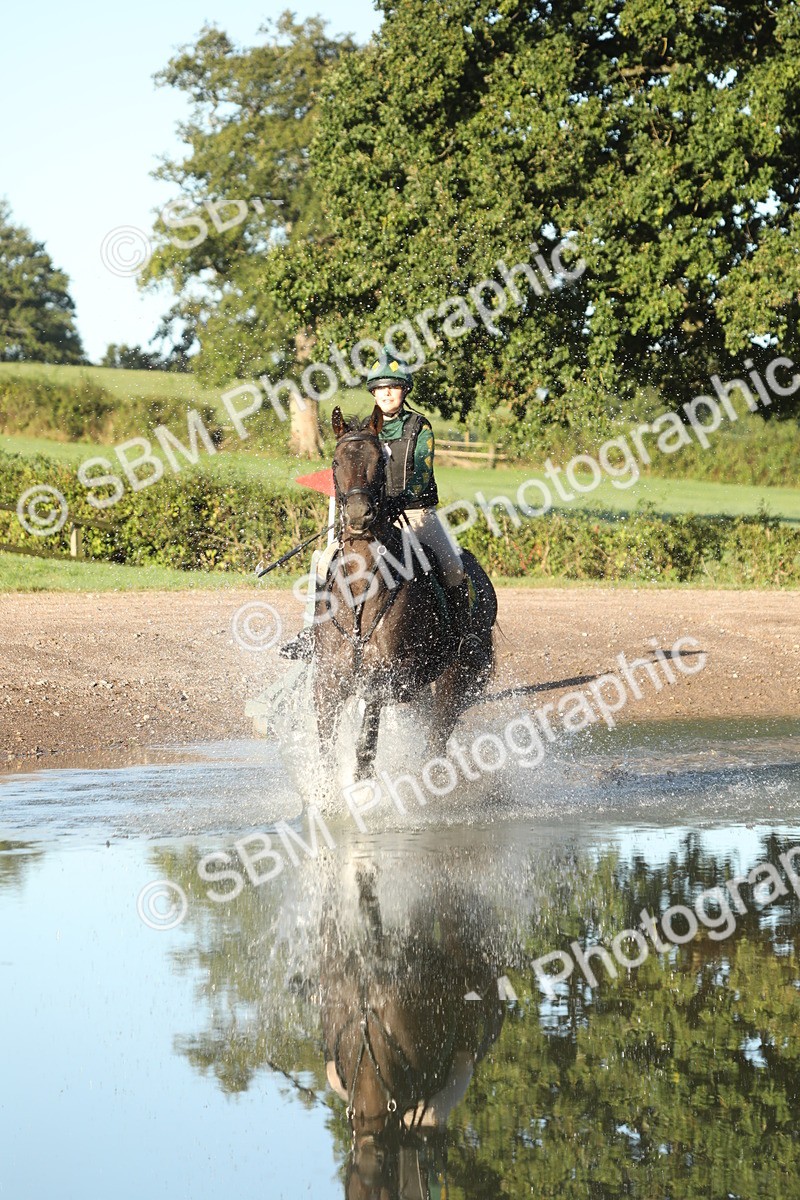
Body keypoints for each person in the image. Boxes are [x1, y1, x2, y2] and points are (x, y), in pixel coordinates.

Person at [281, 349, 475, 660]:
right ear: (373, 392)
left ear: (404, 391)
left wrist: (397, 500)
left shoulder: (418, 426)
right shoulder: (361, 432)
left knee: (451, 565)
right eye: (380, 388)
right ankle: (312, 632)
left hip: (415, 511)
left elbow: (421, 473)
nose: (386, 393)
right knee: (323, 562)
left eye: (393, 387)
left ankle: (463, 636)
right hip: (371, 517)